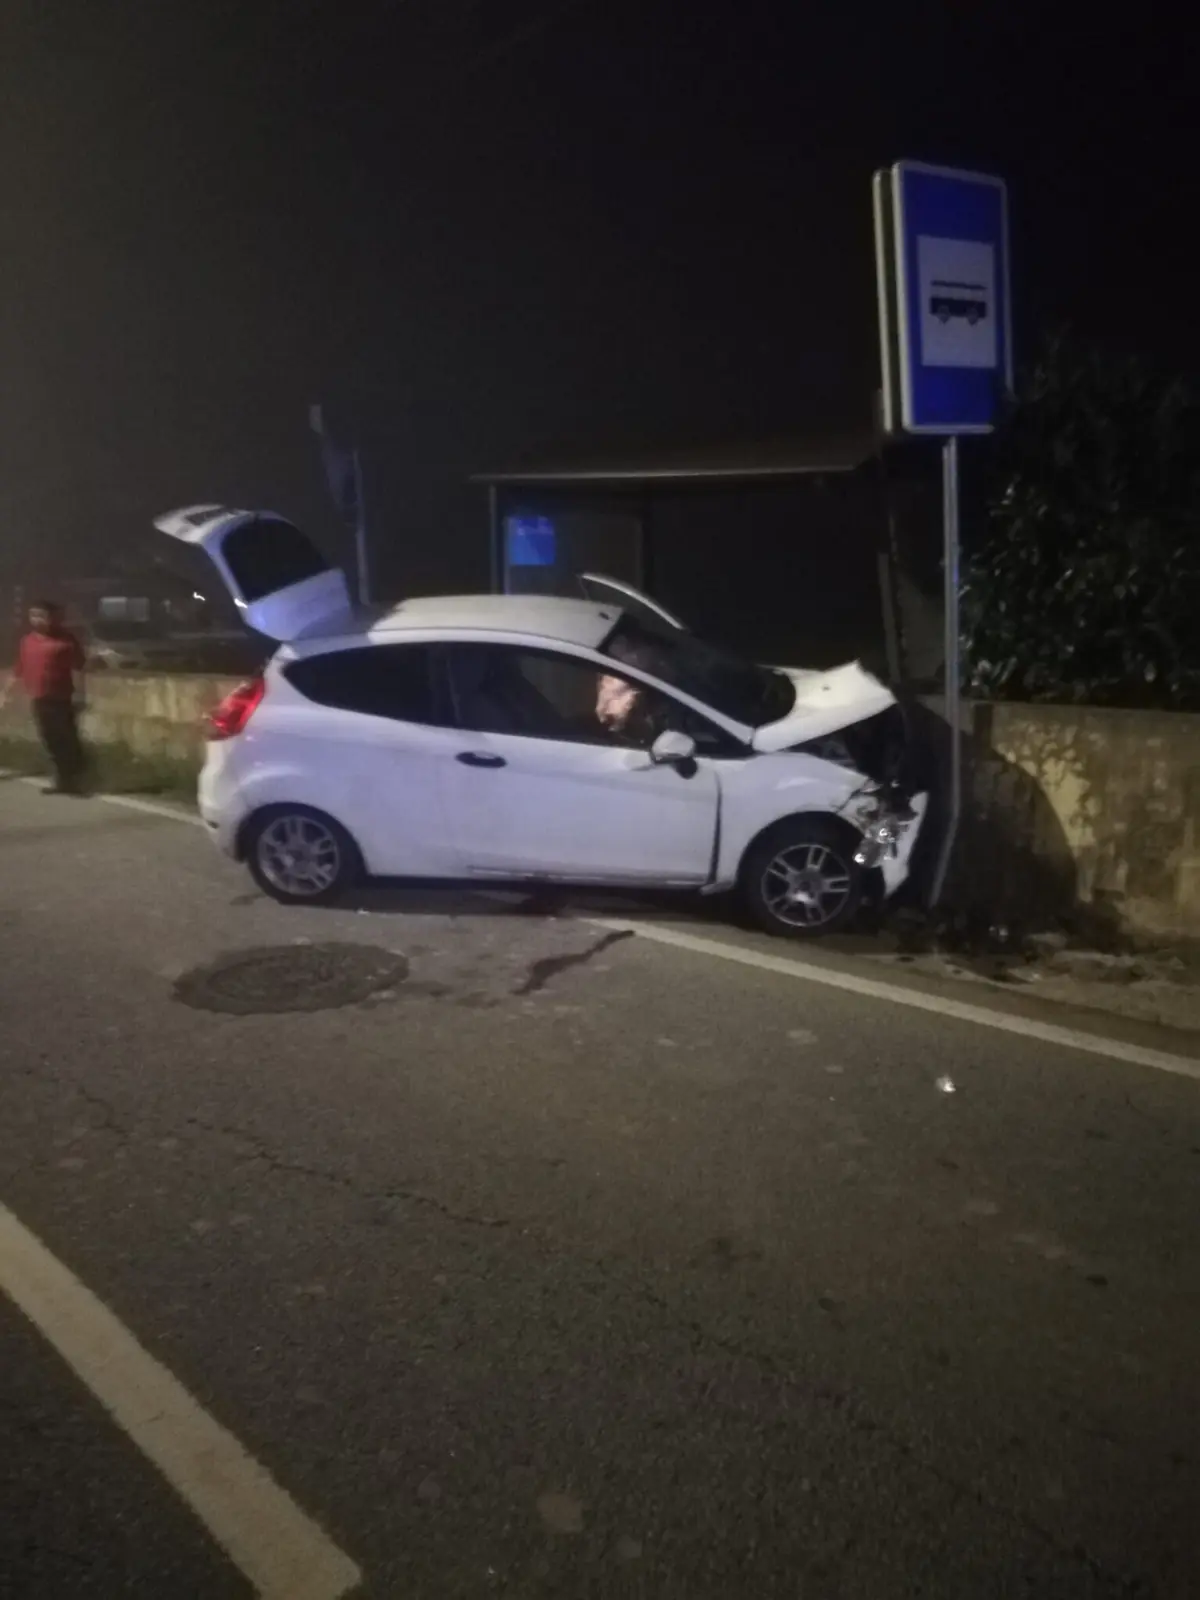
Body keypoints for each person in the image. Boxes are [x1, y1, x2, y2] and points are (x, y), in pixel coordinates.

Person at [1, 601, 88, 794]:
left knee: (65, 738)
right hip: (39, 697)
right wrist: (5, 693)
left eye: (41, 616)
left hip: (62, 697)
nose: (37, 620)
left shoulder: (66, 641)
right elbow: (19, 668)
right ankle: (63, 779)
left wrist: (81, 694)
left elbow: (78, 669)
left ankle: (75, 777)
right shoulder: (27, 641)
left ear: (53, 618)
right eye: (33, 616)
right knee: (49, 739)